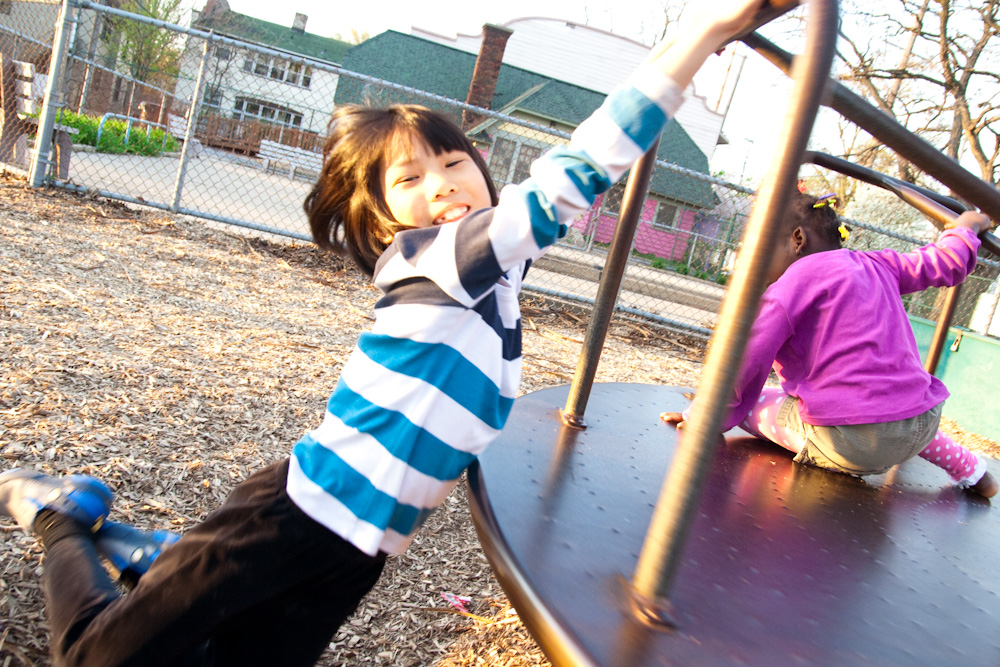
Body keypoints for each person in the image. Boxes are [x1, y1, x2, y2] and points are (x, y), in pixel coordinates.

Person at [0, 2, 768, 665]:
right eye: (408, 179)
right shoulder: (429, 262)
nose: (442, 184)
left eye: (454, 160)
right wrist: (701, 33)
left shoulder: (497, 280)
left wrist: (701, 44)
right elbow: (575, 172)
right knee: (94, 655)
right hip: (292, 515)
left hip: (359, 551)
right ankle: (63, 517)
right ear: (379, 219)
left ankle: (162, 559)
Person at [663, 192, 998, 498]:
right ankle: (972, 470)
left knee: (753, 404)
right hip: (920, 423)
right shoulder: (880, 264)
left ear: (797, 239)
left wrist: (704, 416)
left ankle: (841, 457)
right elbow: (944, 262)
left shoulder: (787, 288)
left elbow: (744, 363)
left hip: (849, 443)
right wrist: (967, 228)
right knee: (894, 404)